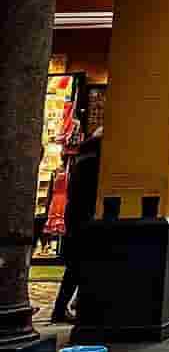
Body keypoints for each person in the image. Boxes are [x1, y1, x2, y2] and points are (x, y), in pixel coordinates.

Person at [52, 130, 102, 325]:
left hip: (76, 218)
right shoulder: (92, 163)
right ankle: (72, 307)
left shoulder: (82, 161)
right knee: (80, 266)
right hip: (85, 219)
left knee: (76, 267)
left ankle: (65, 307)